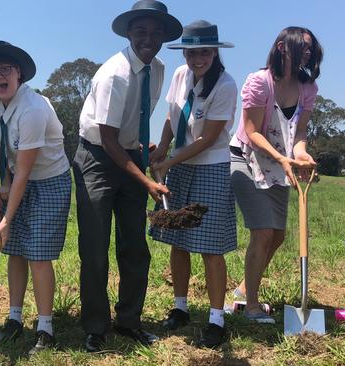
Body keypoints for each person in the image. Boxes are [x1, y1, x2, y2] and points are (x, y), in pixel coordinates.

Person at [73, 0, 181, 353]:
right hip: (98, 159)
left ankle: (129, 322)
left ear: (164, 36)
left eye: (155, 32)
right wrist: (147, 180)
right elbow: (106, 138)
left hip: (129, 153)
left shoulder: (159, 67)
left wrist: (140, 143)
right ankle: (95, 326)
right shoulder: (113, 73)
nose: (148, 38)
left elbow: (138, 116)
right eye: (140, 31)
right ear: (129, 33)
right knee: (95, 247)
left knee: (135, 245)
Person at [0, 41, 72, 354]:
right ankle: (14, 319)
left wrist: (7, 219)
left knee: (38, 253)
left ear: (20, 74)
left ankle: (45, 327)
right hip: (19, 180)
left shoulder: (33, 110)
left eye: (5, 69)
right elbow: (8, 156)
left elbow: (26, 171)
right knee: (14, 251)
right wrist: (4, 180)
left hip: (49, 182)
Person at [149, 20, 236, 348]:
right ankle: (180, 307)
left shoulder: (225, 85)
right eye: (191, 52)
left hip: (210, 167)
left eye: (203, 51)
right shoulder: (180, 75)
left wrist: (169, 162)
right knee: (179, 240)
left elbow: (209, 137)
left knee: (211, 247)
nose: (197, 58)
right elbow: (172, 118)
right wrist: (161, 149)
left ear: (214, 52)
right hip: (180, 167)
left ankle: (216, 318)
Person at [229, 26, 322, 323]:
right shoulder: (259, 82)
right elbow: (253, 131)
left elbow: (300, 132)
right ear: (282, 47)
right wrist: (284, 158)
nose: (307, 52)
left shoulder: (307, 88)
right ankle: (252, 307)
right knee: (263, 232)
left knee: (278, 235)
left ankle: (243, 289)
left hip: (280, 162)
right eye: (302, 47)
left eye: (310, 49)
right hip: (247, 159)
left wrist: (301, 154)